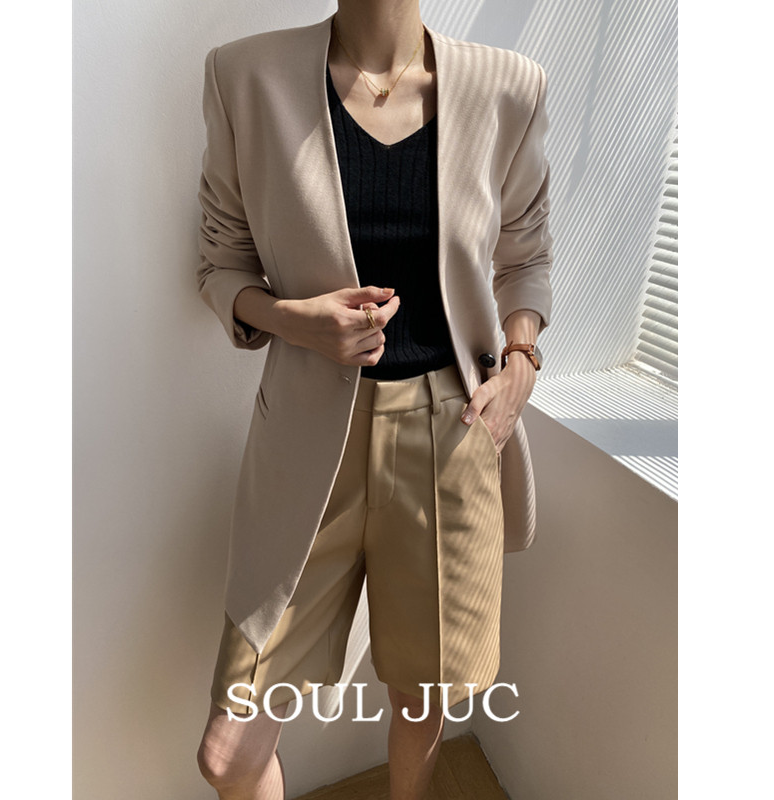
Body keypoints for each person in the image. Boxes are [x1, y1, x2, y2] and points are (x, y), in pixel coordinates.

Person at [195, 2, 552, 798]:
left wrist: (521, 361)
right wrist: (293, 320)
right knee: (227, 752)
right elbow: (221, 259)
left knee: (420, 699)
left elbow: (526, 253)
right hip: (306, 439)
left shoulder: (509, 85)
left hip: (451, 432)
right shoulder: (244, 76)